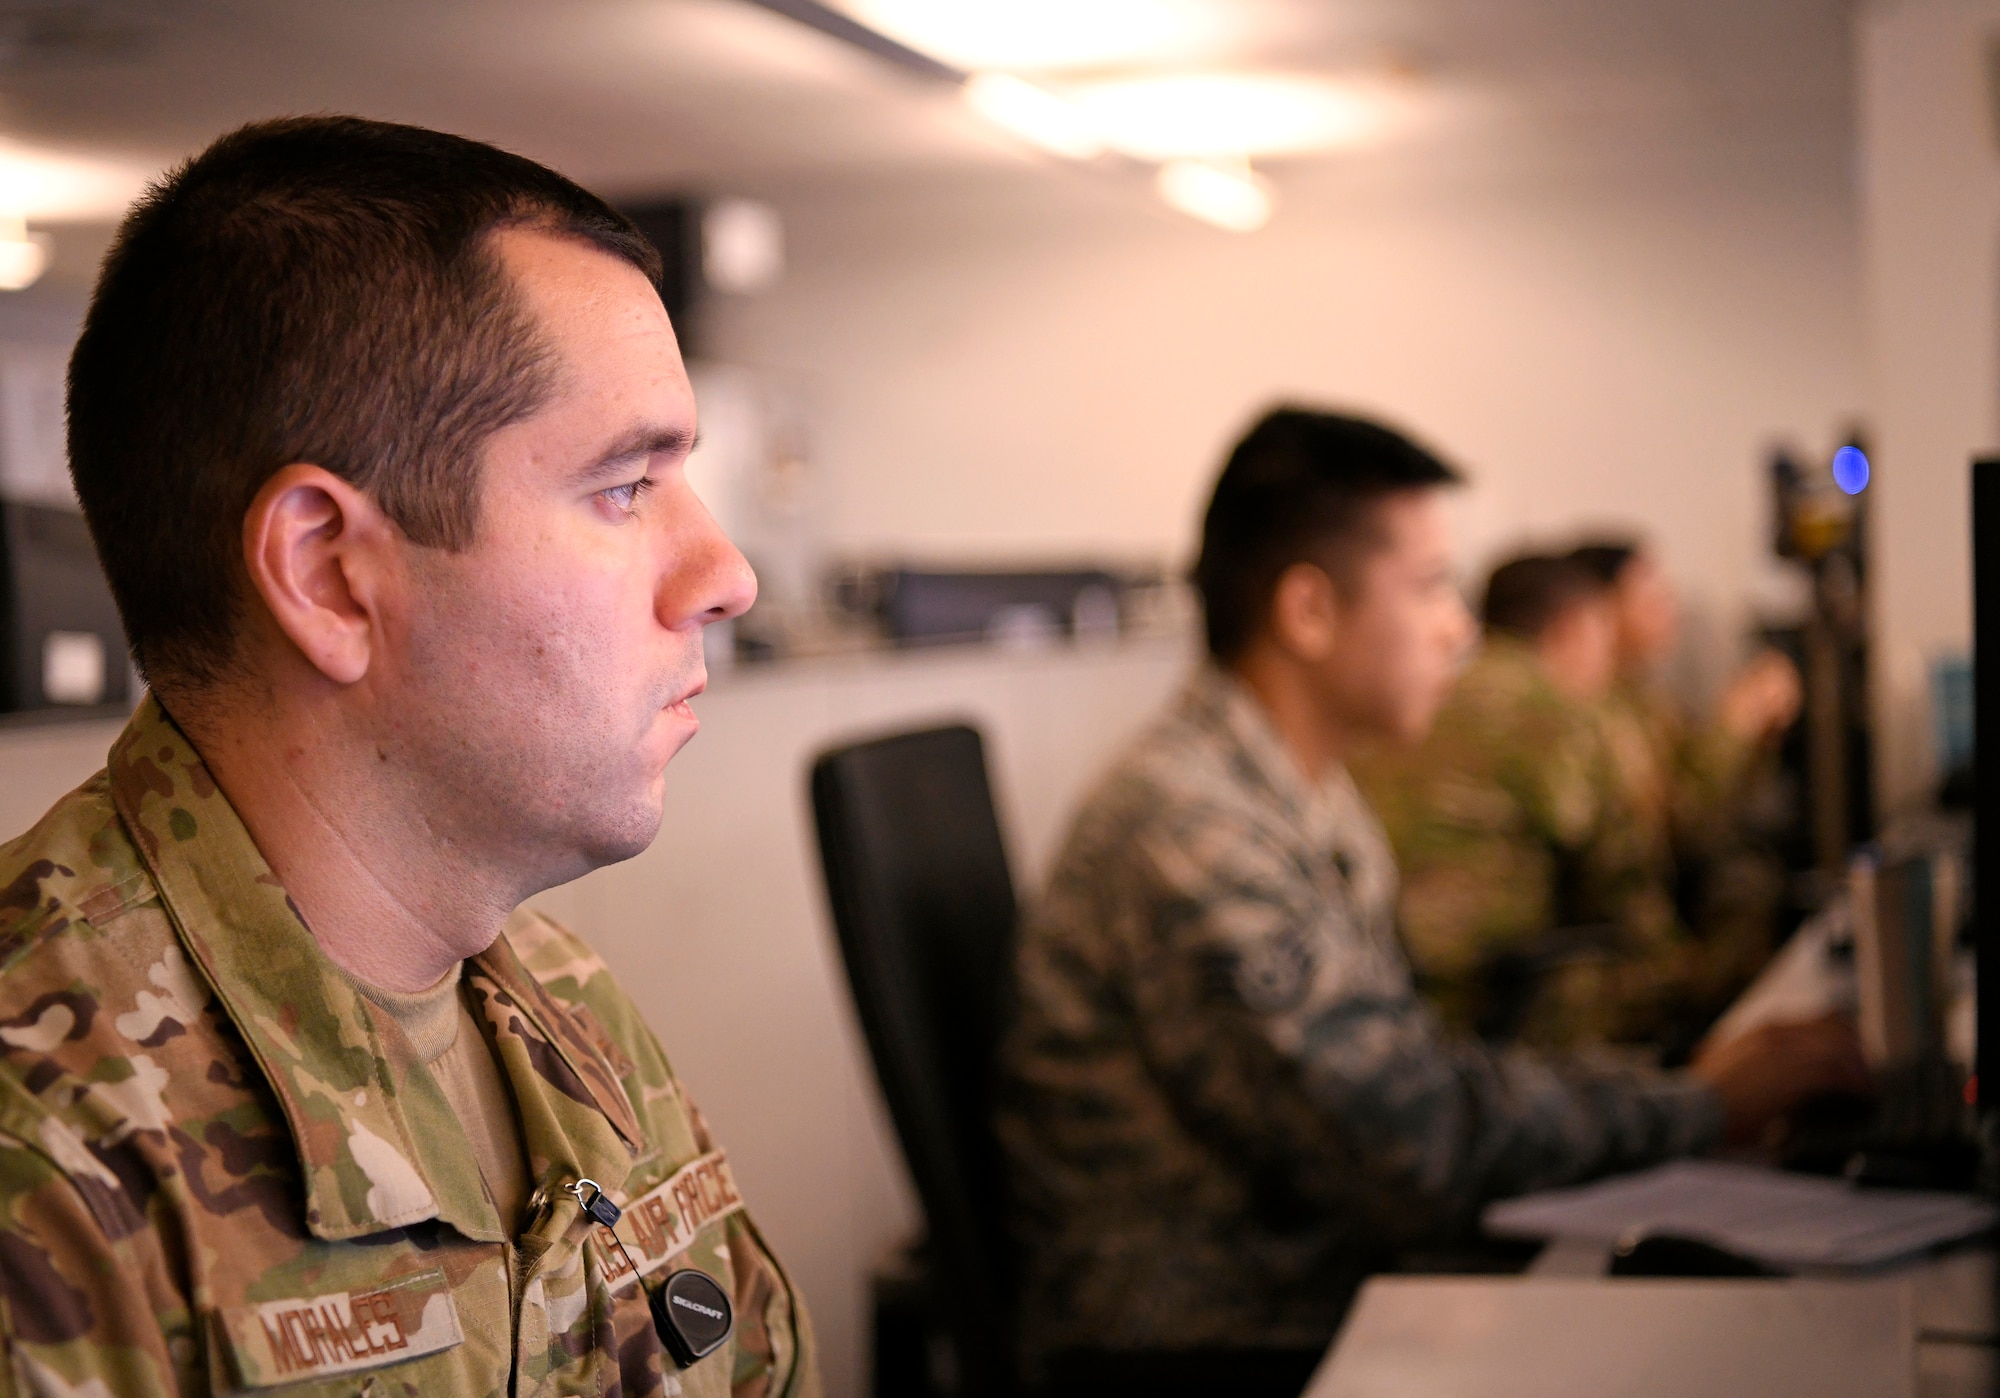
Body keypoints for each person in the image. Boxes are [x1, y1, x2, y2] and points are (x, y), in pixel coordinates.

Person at [0, 117, 818, 1398]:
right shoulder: (44, 1149)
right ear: (329, 573)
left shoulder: (562, 1008)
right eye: (623, 486)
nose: (726, 573)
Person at [997, 407, 1866, 1383]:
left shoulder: (1301, 790)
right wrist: (1696, 1105)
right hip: (1214, 1347)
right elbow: (1404, 1139)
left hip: (1322, 1291)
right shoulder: (1190, 827)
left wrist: (1673, 1094)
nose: (1458, 628)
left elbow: (1405, 1072)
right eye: (1427, 588)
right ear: (1308, 613)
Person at [1359, 554, 1682, 1049]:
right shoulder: (1555, 711)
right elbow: (1623, 870)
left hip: (1386, 979)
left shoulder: (1421, 695)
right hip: (1495, 984)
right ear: (1571, 629)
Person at [1569, 539, 1801, 1009]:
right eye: (1651, 598)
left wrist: (1757, 732)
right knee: (1743, 886)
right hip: (1628, 936)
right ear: (1604, 608)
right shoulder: (1594, 711)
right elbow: (1687, 827)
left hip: (1662, 907)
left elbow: (1712, 797)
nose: (1669, 609)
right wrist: (1734, 728)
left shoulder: (1643, 703)